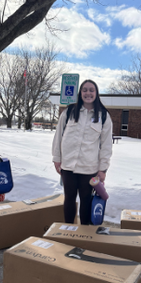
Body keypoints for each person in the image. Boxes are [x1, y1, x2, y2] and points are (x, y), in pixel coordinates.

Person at [52, 79, 113, 225]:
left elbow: (106, 145)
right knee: (69, 198)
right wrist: (56, 158)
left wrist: (103, 169)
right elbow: (58, 136)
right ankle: (68, 230)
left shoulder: (103, 116)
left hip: (89, 168)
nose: (88, 93)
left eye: (91, 90)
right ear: (80, 93)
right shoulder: (69, 112)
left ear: (96, 93)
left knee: (86, 200)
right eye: (85, 90)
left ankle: (84, 232)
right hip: (68, 166)